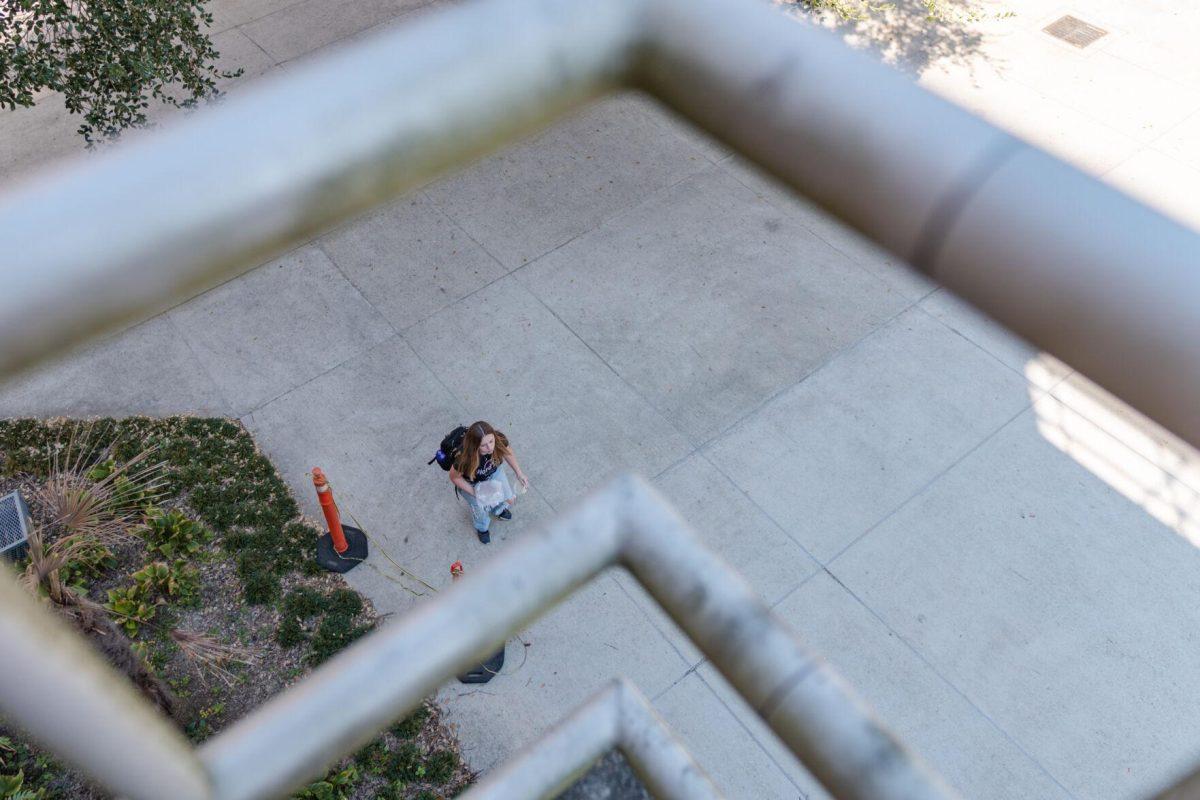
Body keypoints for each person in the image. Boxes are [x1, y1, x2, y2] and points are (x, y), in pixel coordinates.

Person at [449, 421, 530, 544]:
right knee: (480, 509)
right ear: (474, 446)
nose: (490, 447)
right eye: (484, 445)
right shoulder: (464, 458)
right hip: (472, 483)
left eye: (491, 441)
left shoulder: (499, 439)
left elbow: (507, 453)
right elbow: (454, 478)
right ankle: (482, 528)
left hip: (494, 472)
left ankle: (498, 509)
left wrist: (519, 473)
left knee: (507, 497)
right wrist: (476, 493)